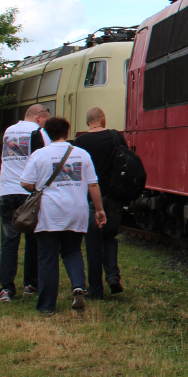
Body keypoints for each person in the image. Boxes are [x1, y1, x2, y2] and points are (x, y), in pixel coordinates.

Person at [19, 116, 105, 314]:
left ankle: (46, 306)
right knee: (72, 251)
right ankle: (78, 286)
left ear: (47, 134)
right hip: (77, 210)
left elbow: (25, 182)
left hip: (48, 212)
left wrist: (38, 187)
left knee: (47, 257)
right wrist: (99, 210)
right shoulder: (82, 154)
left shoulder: (39, 154)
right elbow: (93, 184)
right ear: (67, 133)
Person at [0, 104, 50, 302]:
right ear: (39, 117)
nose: (46, 124)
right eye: (45, 120)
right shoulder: (39, 132)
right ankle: (31, 283)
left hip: (7, 192)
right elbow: (44, 160)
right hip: (28, 192)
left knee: (8, 241)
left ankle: (6, 288)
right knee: (33, 239)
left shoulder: (9, 131)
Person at [73, 107, 126, 298]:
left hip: (90, 196)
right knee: (110, 237)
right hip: (113, 195)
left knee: (93, 242)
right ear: (103, 118)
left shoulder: (80, 142)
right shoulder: (116, 137)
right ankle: (112, 276)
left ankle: (96, 289)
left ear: (87, 122)